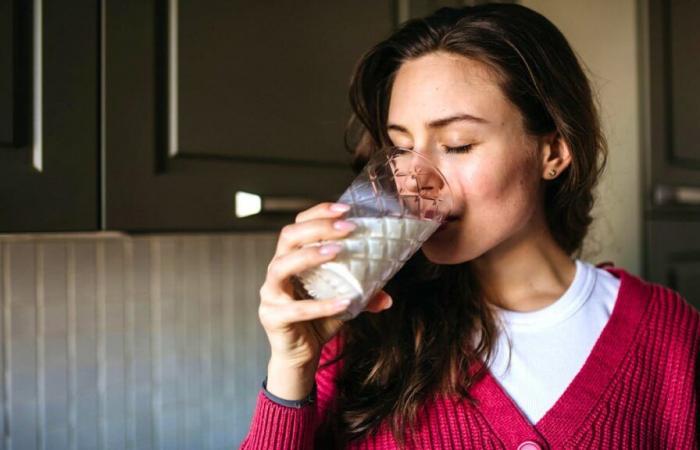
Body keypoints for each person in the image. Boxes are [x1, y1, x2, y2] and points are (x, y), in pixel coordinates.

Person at [241, 4, 699, 449]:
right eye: (401, 147)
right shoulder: (361, 324)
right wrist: (292, 366)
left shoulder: (669, 336)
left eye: (458, 145)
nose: (414, 180)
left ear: (554, 152)